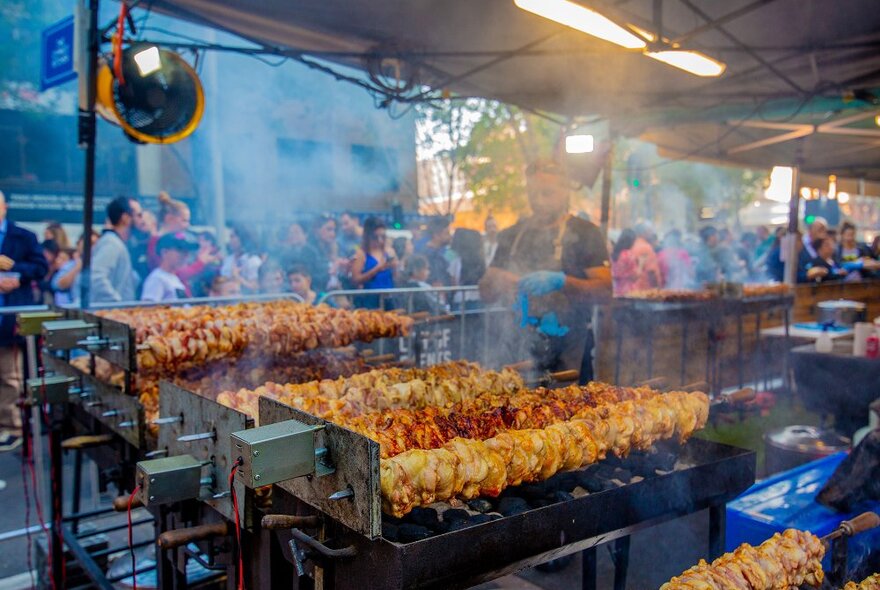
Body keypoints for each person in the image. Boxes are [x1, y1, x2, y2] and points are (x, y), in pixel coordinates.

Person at [480, 160, 611, 375]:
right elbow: (485, 292)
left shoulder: (586, 234)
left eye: (547, 193)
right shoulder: (512, 236)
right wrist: (496, 280)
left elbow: (606, 290)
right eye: (533, 194)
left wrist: (562, 281)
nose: (539, 201)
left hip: (569, 355)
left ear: (565, 191)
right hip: (518, 354)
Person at [0, 190, 48, 451]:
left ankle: (12, 426)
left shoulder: (24, 236)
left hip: (11, 315)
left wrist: (17, 274)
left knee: (10, 374)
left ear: (5, 207)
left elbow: (40, 268)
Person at [91, 196, 142, 303]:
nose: (141, 220)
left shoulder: (117, 243)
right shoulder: (111, 243)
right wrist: (117, 304)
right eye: (138, 215)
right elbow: (97, 277)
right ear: (125, 218)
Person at [350, 217, 397, 309]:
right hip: (370, 301)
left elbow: (396, 278)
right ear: (368, 236)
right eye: (375, 237)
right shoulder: (361, 254)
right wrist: (377, 269)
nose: (380, 241)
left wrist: (395, 267)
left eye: (383, 237)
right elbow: (355, 279)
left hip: (389, 298)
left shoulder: (389, 251)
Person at [141, 232, 199, 302]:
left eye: (187, 252)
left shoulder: (173, 277)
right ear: (164, 252)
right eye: (180, 250)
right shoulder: (157, 278)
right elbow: (148, 310)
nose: (185, 255)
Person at [220, 224, 262, 293]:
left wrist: (237, 277)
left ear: (242, 238)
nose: (230, 240)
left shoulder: (253, 261)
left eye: (233, 236)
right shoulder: (228, 259)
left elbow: (255, 289)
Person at [416, 217, 454, 286]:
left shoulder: (446, 252)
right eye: (447, 233)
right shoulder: (424, 254)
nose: (450, 237)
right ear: (436, 235)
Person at [311, 215, 345, 292]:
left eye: (334, 230)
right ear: (317, 230)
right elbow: (312, 279)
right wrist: (333, 268)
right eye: (329, 229)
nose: (333, 234)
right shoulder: (310, 251)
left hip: (338, 292)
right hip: (320, 295)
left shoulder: (337, 248)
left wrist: (346, 271)